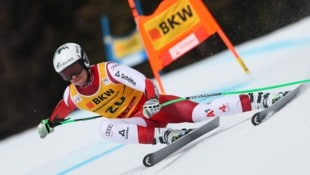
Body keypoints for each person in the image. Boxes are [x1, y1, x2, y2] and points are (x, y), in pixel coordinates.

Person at [37, 42, 288, 144]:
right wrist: (49, 123)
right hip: (139, 121)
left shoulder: (108, 71)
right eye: (66, 74)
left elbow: (144, 82)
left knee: (202, 112)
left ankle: (260, 99)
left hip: (152, 106)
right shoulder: (74, 94)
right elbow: (62, 109)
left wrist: (152, 101)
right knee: (105, 129)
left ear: (84, 61)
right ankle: (166, 136)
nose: (73, 76)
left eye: (75, 69)